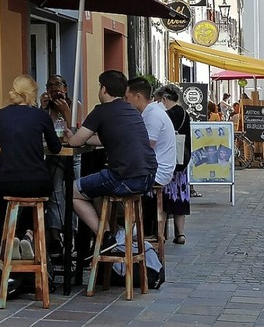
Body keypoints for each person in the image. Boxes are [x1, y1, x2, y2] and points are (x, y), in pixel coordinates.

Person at [64, 70, 157, 255]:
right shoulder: (131, 110)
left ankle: (105, 236)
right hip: (148, 176)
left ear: (104, 89)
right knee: (95, 187)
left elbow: (75, 142)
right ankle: (109, 235)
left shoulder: (101, 111)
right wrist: (84, 139)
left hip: (124, 177)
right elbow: (103, 140)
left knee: (72, 192)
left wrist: (70, 136)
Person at [0, 75, 62, 261]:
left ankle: (12, 238)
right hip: (35, 180)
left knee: (8, 203)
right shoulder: (40, 116)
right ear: (33, 94)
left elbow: (5, 142)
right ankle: (29, 235)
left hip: (6, 180)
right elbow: (56, 147)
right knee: (40, 196)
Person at [125, 77, 176, 237]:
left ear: (138, 96)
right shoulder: (153, 112)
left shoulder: (152, 115)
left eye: (127, 98)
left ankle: (126, 231)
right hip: (158, 170)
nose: (126, 102)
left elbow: (146, 148)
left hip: (157, 172)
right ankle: (131, 229)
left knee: (109, 183)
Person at [39, 75, 83, 256]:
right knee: (55, 192)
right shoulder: (46, 110)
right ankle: (56, 236)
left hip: (73, 154)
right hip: (54, 154)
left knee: (72, 193)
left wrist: (66, 112)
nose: (54, 89)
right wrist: (43, 108)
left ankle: (71, 234)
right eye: (50, 86)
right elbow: (42, 132)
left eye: (58, 85)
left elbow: (77, 133)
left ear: (65, 88)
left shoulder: (75, 106)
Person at [154, 84, 192, 244]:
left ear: (164, 98)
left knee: (161, 198)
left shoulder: (164, 115)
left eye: (158, 100)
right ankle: (180, 234)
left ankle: (160, 233)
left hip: (166, 161)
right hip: (181, 160)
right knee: (179, 198)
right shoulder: (185, 114)